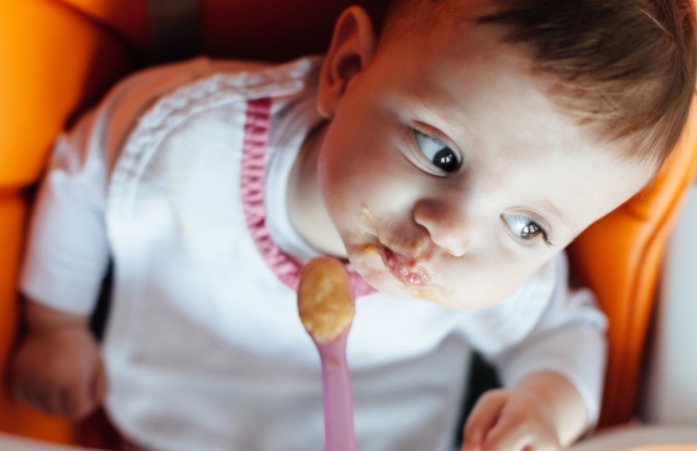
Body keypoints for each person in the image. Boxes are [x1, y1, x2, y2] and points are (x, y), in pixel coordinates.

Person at [9, 0, 695, 450]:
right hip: (179, 408)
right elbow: (85, 173)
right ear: (346, 70)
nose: (451, 232)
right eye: (440, 152)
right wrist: (56, 326)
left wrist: (544, 406)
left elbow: (564, 332)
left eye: (526, 227)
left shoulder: (495, 270)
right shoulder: (188, 138)